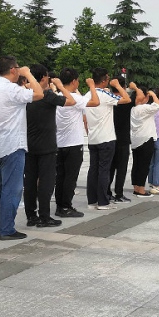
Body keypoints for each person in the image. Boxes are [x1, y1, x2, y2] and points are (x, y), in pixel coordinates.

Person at [0, 57, 43, 240]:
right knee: (12, 189)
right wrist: (28, 74)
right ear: (13, 69)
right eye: (18, 68)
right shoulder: (11, 89)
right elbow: (39, 93)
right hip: (12, 144)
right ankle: (7, 229)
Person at [24, 65, 75, 228]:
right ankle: (44, 216)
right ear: (44, 78)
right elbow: (71, 101)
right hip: (46, 145)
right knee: (46, 182)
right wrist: (60, 86)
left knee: (30, 181)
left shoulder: (26, 94)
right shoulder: (47, 95)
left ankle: (31, 216)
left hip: (29, 144)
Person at [84, 68, 131, 210]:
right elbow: (126, 99)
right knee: (104, 170)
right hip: (106, 138)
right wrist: (117, 86)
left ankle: (92, 201)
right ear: (104, 80)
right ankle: (103, 202)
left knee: (93, 170)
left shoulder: (87, 94)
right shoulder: (104, 94)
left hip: (93, 138)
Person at [54, 68, 98, 218]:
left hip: (60, 143)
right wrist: (92, 86)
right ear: (73, 81)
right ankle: (66, 206)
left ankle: (60, 206)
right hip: (73, 143)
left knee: (60, 176)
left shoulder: (57, 97)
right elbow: (95, 102)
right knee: (70, 177)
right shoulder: (74, 98)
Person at [109, 72, 137, 203]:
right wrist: (134, 88)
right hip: (123, 139)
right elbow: (136, 96)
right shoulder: (126, 101)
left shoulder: (108, 99)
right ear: (123, 87)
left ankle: (107, 192)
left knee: (110, 167)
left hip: (110, 137)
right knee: (121, 168)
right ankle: (119, 193)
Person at [130, 87, 159, 197]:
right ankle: (141, 190)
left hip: (135, 139)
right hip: (146, 139)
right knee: (144, 165)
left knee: (136, 164)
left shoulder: (132, 108)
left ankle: (136, 187)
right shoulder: (143, 108)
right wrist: (153, 94)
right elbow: (157, 105)